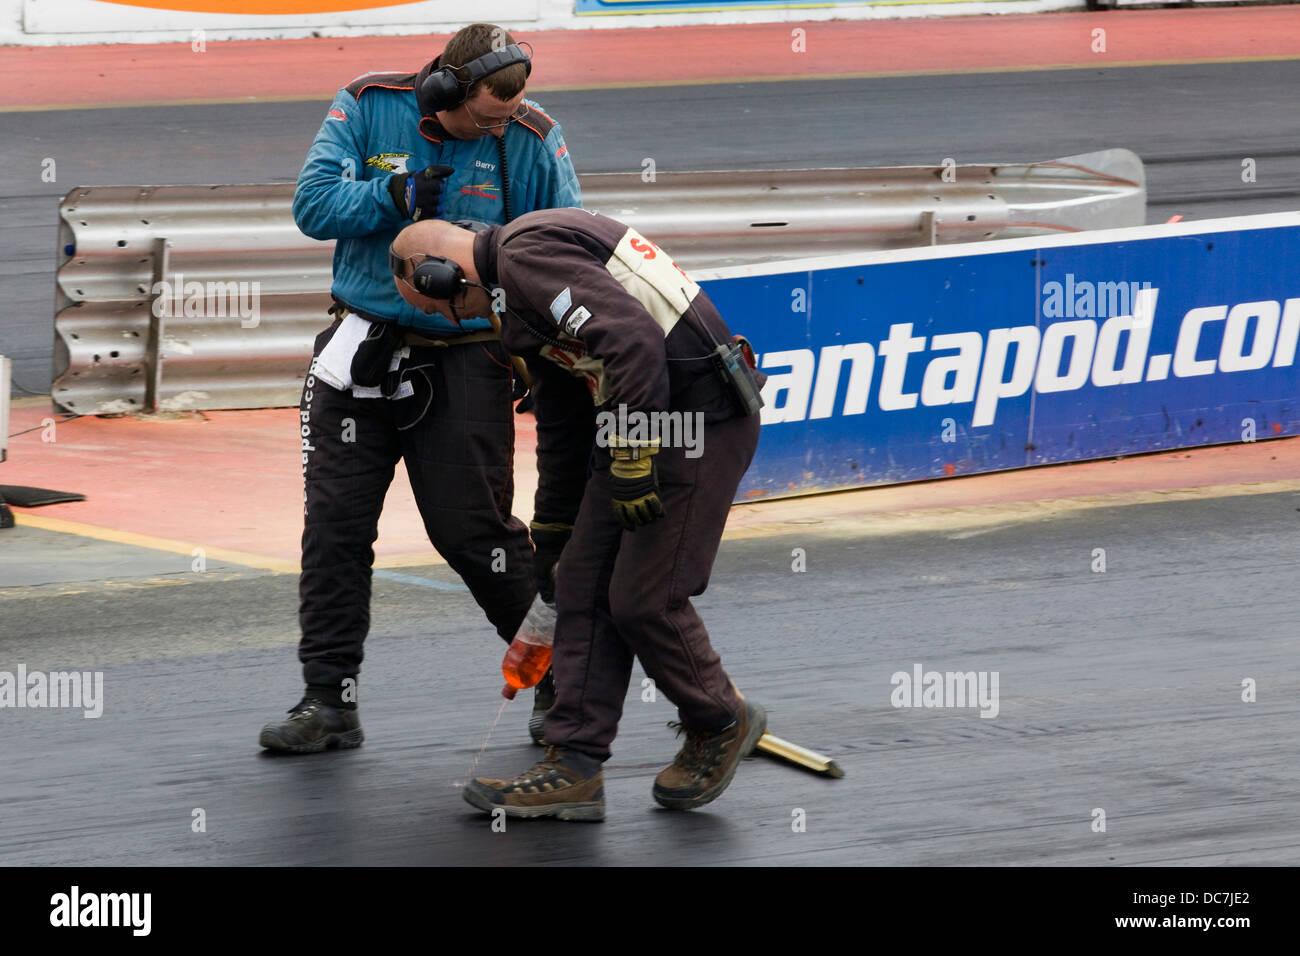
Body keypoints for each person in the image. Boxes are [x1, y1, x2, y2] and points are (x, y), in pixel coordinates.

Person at [259, 23, 582, 755]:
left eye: (507, 115)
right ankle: (328, 702)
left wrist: (549, 354)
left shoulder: (535, 138)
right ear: (444, 90)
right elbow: (312, 208)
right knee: (334, 531)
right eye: (484, 117)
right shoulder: (367, 105)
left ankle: (560, 682)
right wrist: (391, 194)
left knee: (475, 537)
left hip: (467, 357)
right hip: (358, 352)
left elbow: (567, 247)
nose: (496, 127)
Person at [387, 211, 768, 820]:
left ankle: (721, 718)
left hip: (698, 424)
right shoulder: (518, 298)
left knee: (644, 599)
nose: (452, 322)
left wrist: (635, 454)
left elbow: (634, 342)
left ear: (438, 277)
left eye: (439, 310)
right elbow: (564, 418)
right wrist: (553, 530)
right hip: (641, 423)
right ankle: (574, 766)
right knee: (578, 585)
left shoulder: (525, 256)